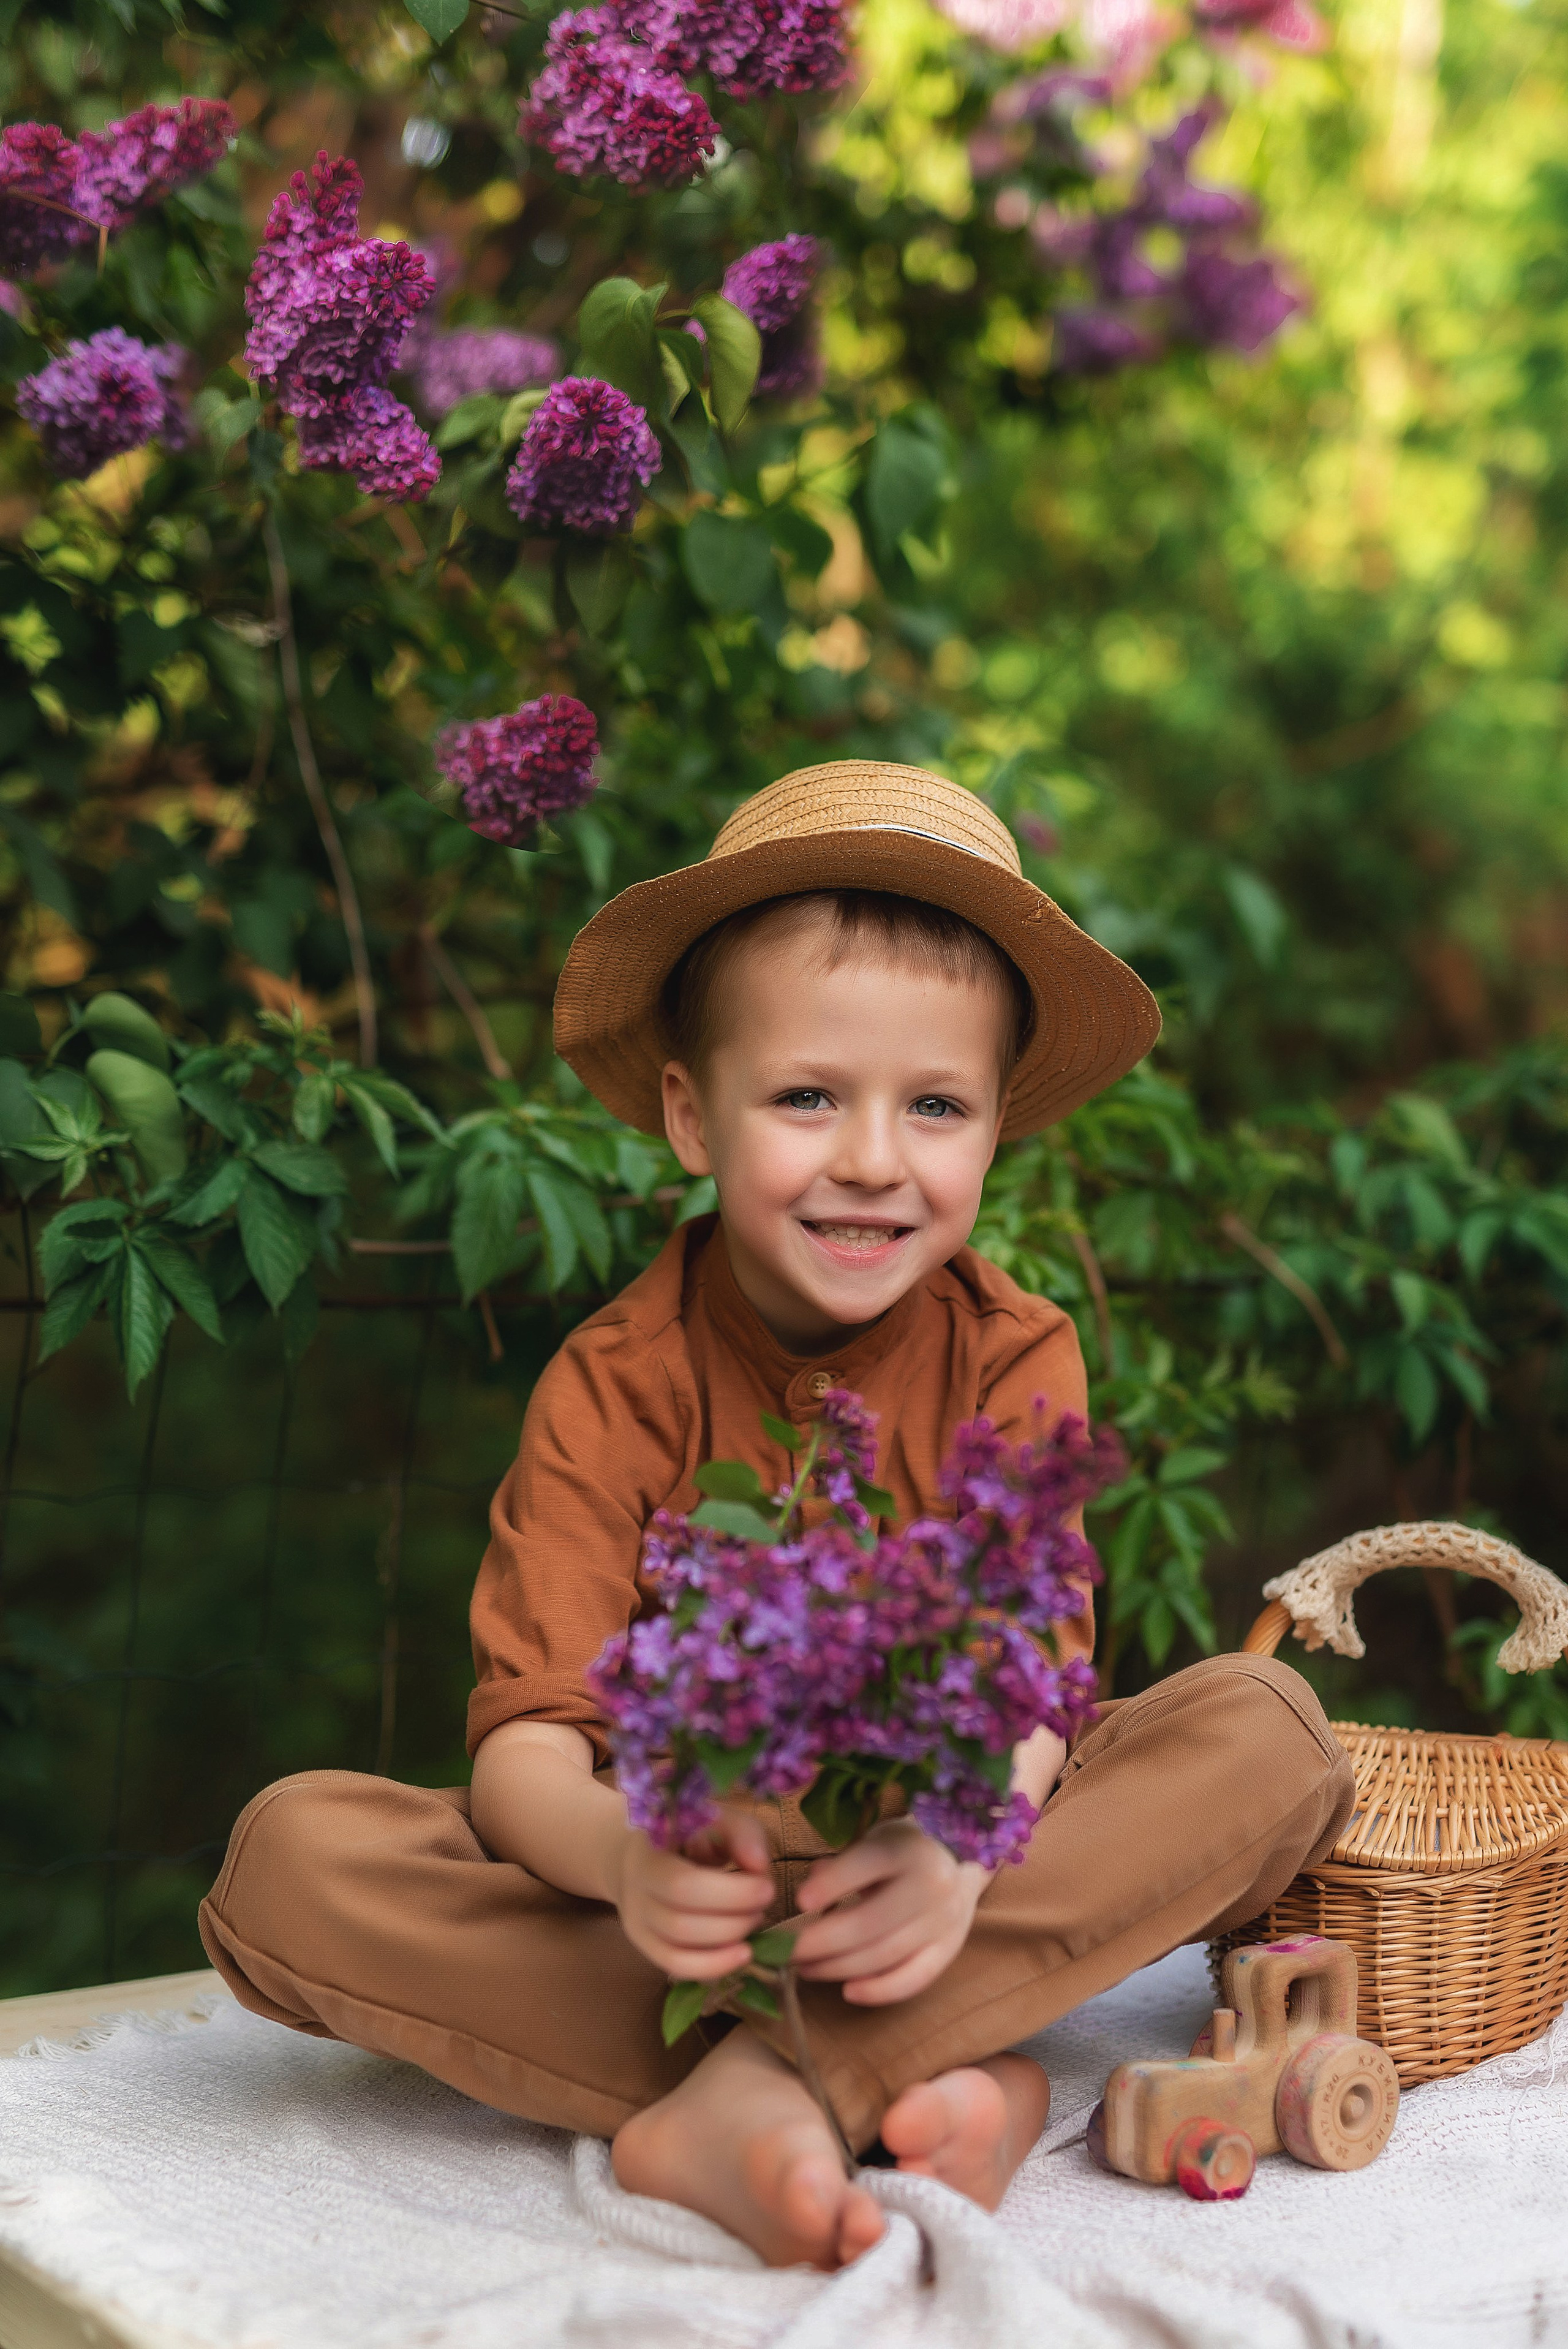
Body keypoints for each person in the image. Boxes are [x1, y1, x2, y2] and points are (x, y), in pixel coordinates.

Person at [200, 760, 1354, 2271]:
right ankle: (933, 2075)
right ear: (692, 1115)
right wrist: (625, 1863)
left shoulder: (1012, 1351)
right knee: (290, 1860)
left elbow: (1026, 1687)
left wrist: (950, 1844)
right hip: (680, 1899)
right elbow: (524, 1758)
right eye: (807, 1095)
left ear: (993, 1129)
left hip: (952, 1877)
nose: (872, 1158)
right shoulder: (616, 1378)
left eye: (932, 1105)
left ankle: (752, 2092)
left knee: (1265, 1726)